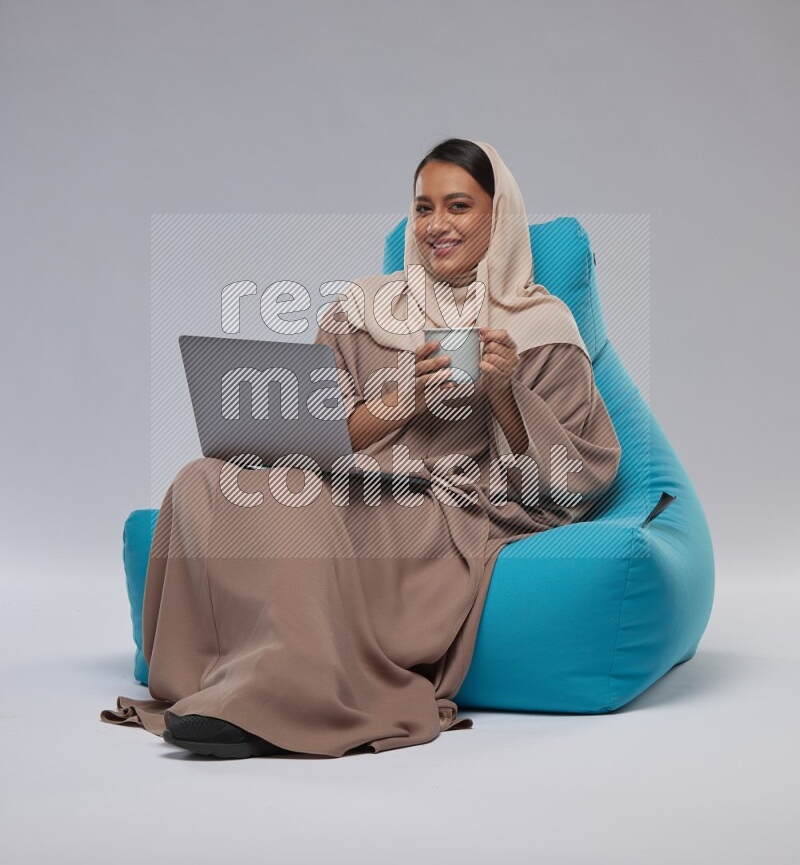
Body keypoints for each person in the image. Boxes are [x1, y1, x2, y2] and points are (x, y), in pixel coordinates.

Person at [100, 137, 622, 758]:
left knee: (295, 506)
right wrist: (389, 407)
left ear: (498, 216)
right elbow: (322, 437)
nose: (436, 226)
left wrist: (504, 391)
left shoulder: (541, 327)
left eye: (458, 206)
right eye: (423, 208)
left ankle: (280, 695)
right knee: (203, 479)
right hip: (348, 478)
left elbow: (566, 489)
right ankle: (214, 679)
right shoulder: (362, 308)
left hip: (442, 503)